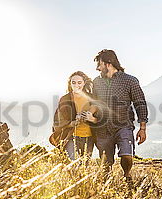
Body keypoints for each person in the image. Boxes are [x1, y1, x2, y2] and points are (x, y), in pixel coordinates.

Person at [90, 49, 148, 181]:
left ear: (108, 63)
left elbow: (140, 103)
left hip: (124, 125)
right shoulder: (97, 82)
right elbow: (94, 102)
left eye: (99, 64)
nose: (97, 68)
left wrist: (142, 128)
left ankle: (127, 176)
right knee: (105, 162)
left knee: (127, 154)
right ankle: (107, 185)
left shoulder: (130, 80)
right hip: (102, 127)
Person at [49, 71, 98, 161]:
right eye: (73, 82)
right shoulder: (65, 99)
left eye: (79, 82)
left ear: (84, 83)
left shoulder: (92, 98)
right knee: (74, 163)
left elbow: (100, 119)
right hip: (71, 136)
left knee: (85, 166)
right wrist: (73, 123)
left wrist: (91, 118)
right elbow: (59, 121)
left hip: (89, 137)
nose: (76, 85)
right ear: (70, 84)